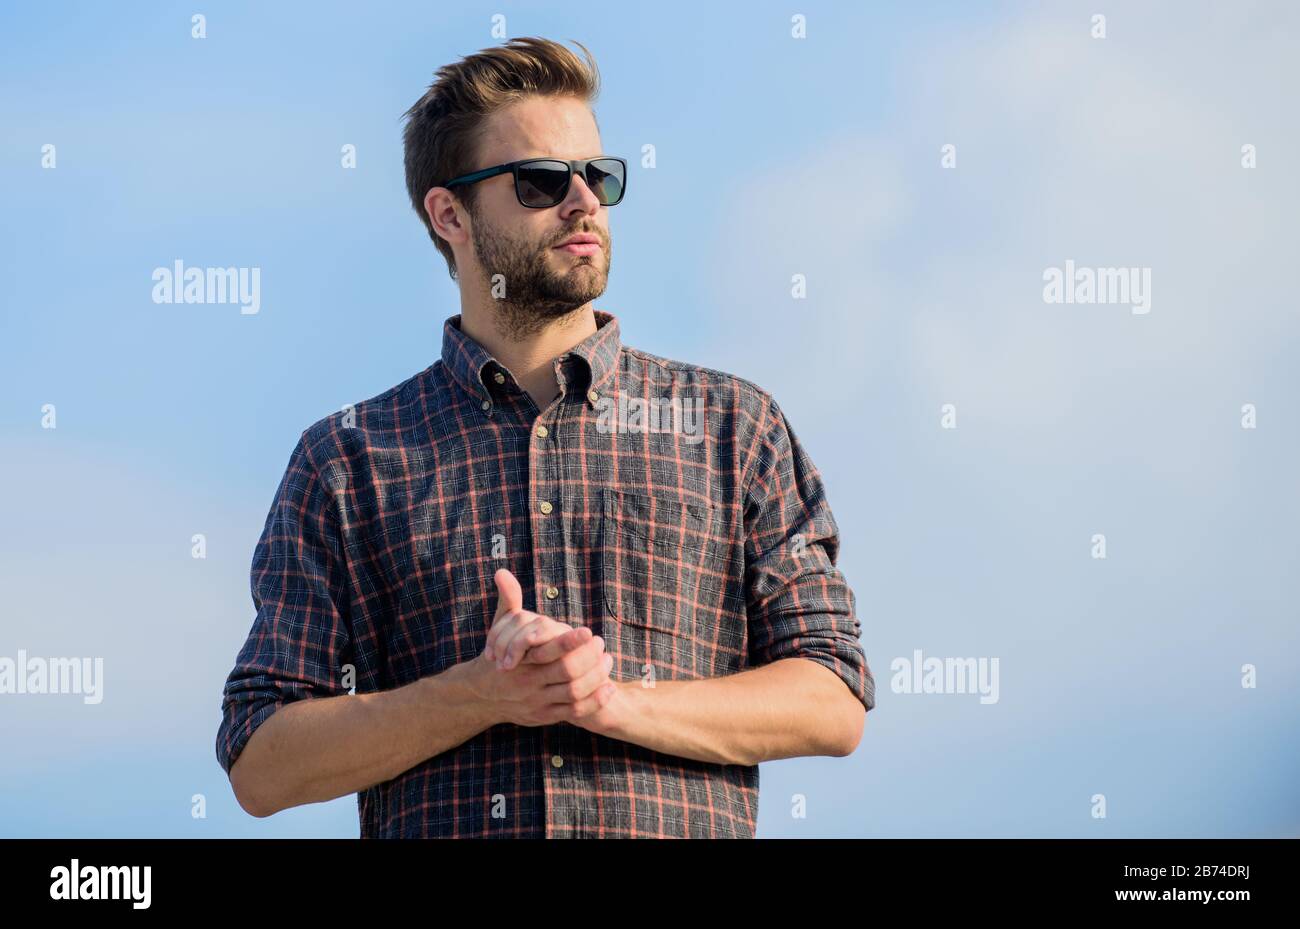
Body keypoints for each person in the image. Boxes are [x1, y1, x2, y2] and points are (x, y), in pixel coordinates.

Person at [215, 36, 874, 838]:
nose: (583, 202)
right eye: (541, 181)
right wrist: (478, 693)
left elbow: (832, 695)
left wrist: (610, 701)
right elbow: (260, 758)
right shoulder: (349, 461)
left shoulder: (733, 426)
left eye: (598, 176)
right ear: (448, 212)